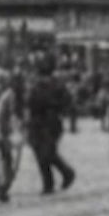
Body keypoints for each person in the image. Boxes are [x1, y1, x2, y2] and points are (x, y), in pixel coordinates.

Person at [25, 53, 75, 195]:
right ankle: (48, 183)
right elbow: (28, 101)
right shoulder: (34, 84)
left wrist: (55, 107)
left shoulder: (57, 84)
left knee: (47, 152)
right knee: (39, 153)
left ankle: (66, 172)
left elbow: (67, 101)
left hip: (50, 121)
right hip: (36, 121)